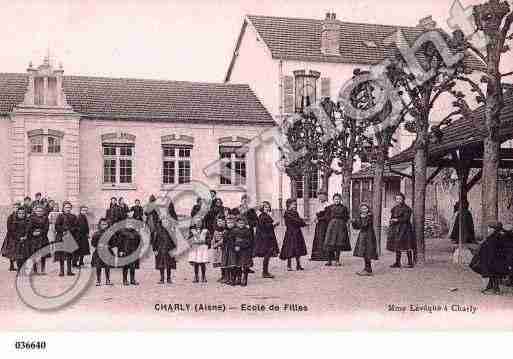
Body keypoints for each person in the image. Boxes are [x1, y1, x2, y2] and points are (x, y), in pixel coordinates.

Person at [470, 221, 513, 295]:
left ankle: (494, 288)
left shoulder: (496, 239)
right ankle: (491, 286)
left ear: (494, 229)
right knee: (491, 270)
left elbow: (495, 252)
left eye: (490, 228)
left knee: (492, 270)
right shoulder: (493, 237)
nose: (488, 230)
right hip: (493, 262)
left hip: (496, 262)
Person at [386, 193, 416, 268]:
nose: (398, 200)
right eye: (397, 199)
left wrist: (397, 219)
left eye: (400, 199)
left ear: (403, 199)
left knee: (407, 245)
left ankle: (410, 262)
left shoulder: (407, 209)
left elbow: (406, 219)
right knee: (397, 245)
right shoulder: (394, 208)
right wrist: (391, 221)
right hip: (396, 229)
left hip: (405, 229)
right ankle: (397, 262)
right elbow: (392, 217)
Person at [279, 198, 308, 271]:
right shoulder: (287, 213)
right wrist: (303, 222)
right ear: (289, 204)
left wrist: (302, 221)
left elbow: (298, 220)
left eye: (295, 204)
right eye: (293, 204)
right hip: (290, 233)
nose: (295, 206)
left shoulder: (295, 212)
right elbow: (295, 221)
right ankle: (289, 265)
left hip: (297, 232)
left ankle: (298, 265)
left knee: (298, 248)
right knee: (290, 249)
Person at [324, 193, 351, 266]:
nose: (337, 200)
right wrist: (331, 221)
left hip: (340, 227)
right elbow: (326, 216)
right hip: (332, 226)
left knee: (338, 244)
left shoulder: (344, 208)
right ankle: (329, 260)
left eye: (338, 199)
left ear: (340, 200)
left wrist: (344, 222)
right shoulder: (329, 207)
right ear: (333, 200)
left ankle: (337, 260)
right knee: (330, 243)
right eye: (335, 199)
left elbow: (346, 217)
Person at [254, 201, 279, 278]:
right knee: (267, 254)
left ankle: (265, 271)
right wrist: (273, 224)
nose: (267, 208)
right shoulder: (262, 216)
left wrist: (273, 225)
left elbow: (268, 227)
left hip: (268, 237)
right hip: (265, 238)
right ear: (262, 208)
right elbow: (264, 227)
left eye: (268, 207)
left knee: (268, 254)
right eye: (265, 207)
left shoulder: (265, 215)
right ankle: (265, 272)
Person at [352, 203, 378, 276]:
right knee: (364, 252)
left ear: (368, 209)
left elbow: (364, 225)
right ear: (360, 210)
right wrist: (354, 222)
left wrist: (360, 219)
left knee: (367, 252)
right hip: (363, 235)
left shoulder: (369, 216)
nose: (364, 210)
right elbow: (357, 227)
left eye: (365, 208)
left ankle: (369, 269)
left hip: (369, 236)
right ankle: (366, 268)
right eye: (362, 209)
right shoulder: (361, 216)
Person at [54, 201, 79, 276]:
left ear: (71, 208)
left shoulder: (74, 216)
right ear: (63, 208)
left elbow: (76, 227)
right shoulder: (60, 216)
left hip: (70, 237)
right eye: (66, 207)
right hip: (61, 237)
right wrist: (63, 231)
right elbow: (57, 226)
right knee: (61, 254)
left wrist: (70, 231)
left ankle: (69, 271)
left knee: (69, 254)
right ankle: (61, 271)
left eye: (69, 207)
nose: (68, 209)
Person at [151, 214, 177, 284]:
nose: (165, 222)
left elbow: (174, 240)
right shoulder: (157, 229)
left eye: (166, 221)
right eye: (163, 220)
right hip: (160, 249)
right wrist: (154, 249)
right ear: (161, 221)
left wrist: (174, 249)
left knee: (169, 264)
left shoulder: (171, 229)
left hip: (169, 249)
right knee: (161, 264)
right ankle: (162, 279)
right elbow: (153, 240)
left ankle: (169, 278)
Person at [117, 212, 141, 286]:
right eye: (128, 223)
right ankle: (124, 280)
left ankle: (132, 280)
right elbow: (119, 243)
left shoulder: (136, 233)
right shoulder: (122, 232)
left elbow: (139, 243)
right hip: (125, 251)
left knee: (132, 266)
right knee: (125, 266)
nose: (130, 225)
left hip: (133, 251)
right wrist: (120, 251)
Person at [229, 216, 255, 286]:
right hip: (236, 251)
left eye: (242, 223)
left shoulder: (247, 231)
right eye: (239, 223)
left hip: (245, 251)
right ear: (236, 223)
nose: (241, 224)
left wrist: (241, 246)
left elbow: (249, 241)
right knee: (237, 265)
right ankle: (238, 278)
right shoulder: (234, 231)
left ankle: (245, 278)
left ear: (244, 223)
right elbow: (231, 240)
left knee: (245, 265)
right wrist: (234, 246)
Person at [26, 204, 50, 274]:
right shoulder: (31, 218)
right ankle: (35, 270)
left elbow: (46, 228)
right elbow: (29, 228)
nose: (39, 212)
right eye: (38, 211)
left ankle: (43, 270)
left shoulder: (46, 218)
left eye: (41, 211)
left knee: (43, 255)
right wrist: (32, 233)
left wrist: (40, 232)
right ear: (35, 211)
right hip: (34, 239)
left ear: (43, 212)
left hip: (43, 238)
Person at [91, 218, 114, 286]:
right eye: (102, 224)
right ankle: (98, 280)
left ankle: (108, 280)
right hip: (99, 252)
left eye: (105, 224)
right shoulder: (96, 234)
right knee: (98, 266)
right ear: (100, 225)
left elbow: (114, 242)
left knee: (107, 266)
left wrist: (109, 246)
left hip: (107, 252)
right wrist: (98, 246)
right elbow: (93, 243)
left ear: (108, 225)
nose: (104, 226)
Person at [310, 191, 330, 261]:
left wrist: (319, 219)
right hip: (319, 224)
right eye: (319, 196)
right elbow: (316, 214)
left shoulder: (328, 205)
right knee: (318, 238)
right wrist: (314, 219)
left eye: (322, 196)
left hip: (325, 224)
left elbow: (327, 216)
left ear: (326, 196)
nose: (321, 197)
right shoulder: (318, 205)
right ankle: (317, 256)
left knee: (323, 238)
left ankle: (324, 256)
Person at [1, 203, 20, 271]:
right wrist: (13, 234)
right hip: (11, 236)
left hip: (18, 235)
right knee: (11, 251)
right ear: (13, 208)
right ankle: (11, 265)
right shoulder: (10, 217)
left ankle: (18, 265)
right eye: (15, 207)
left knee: (18, 250)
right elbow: (8, 227)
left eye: (17, 207)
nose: (16, 209)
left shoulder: (21, 216)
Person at [221, 211, 237, 285]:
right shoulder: (225, 231)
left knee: (233, 265)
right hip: (226, 249)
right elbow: (223, 241)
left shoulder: (235, 231)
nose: (230, 224)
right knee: (226, 264)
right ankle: (228, 278)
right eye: (228, 223)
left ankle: (233, 279)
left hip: (232, 249)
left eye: (231, 223)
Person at [12, 207, 29, 273]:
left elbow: (28, 230)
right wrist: (19, 237)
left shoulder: (27, 221)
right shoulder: (15, 222)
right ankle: (19, 268)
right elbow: (13, 232)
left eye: (23, 213)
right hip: (18, 241)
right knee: (19, 255)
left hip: (26, 241)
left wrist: (26, 236)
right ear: (17, 214)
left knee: (25, 255)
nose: (21, 214)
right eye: (19, 213)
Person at [211, 216, 226, 282]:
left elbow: (223, 240)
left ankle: (226, 276)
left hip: (223, 247)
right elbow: (214, 238)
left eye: (222, 221)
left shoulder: (225, 230)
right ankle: (222, 276)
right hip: (218, 248)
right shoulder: (216, 230)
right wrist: (213, 243)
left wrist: (216, 245)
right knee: (220, 262)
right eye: (218, 221)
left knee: (224, 262)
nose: (220, 223)